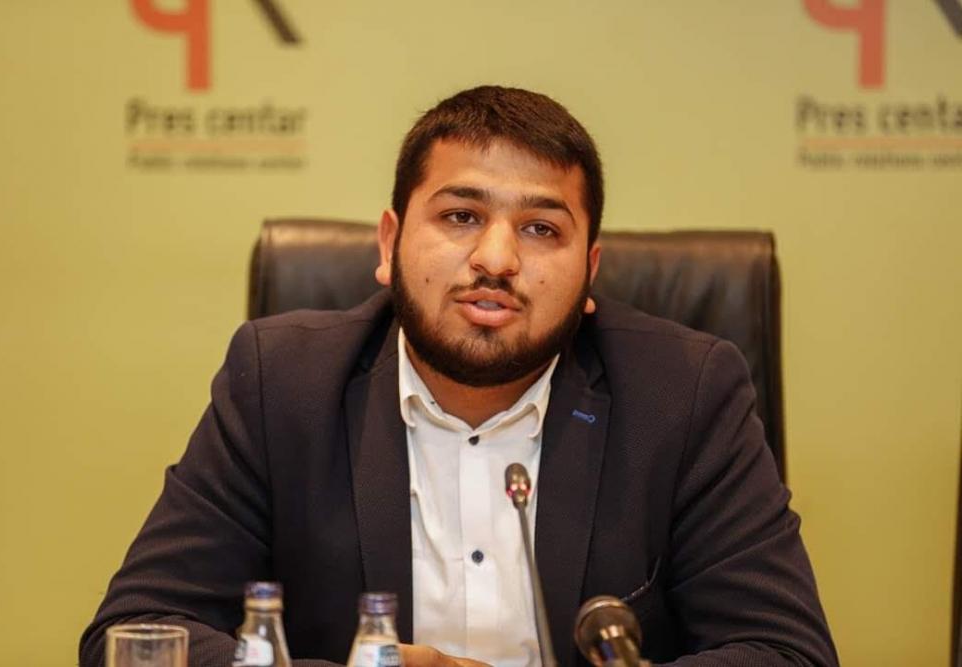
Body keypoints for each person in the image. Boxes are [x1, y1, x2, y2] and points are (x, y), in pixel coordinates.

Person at [80, 86, 839, 667]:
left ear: (590, 272)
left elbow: (785, 653)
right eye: (461, 216)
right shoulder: (279, 382)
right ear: (389, 244)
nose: (496, 259)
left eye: (541, 228)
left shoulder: (685, 393)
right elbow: (140, 634)